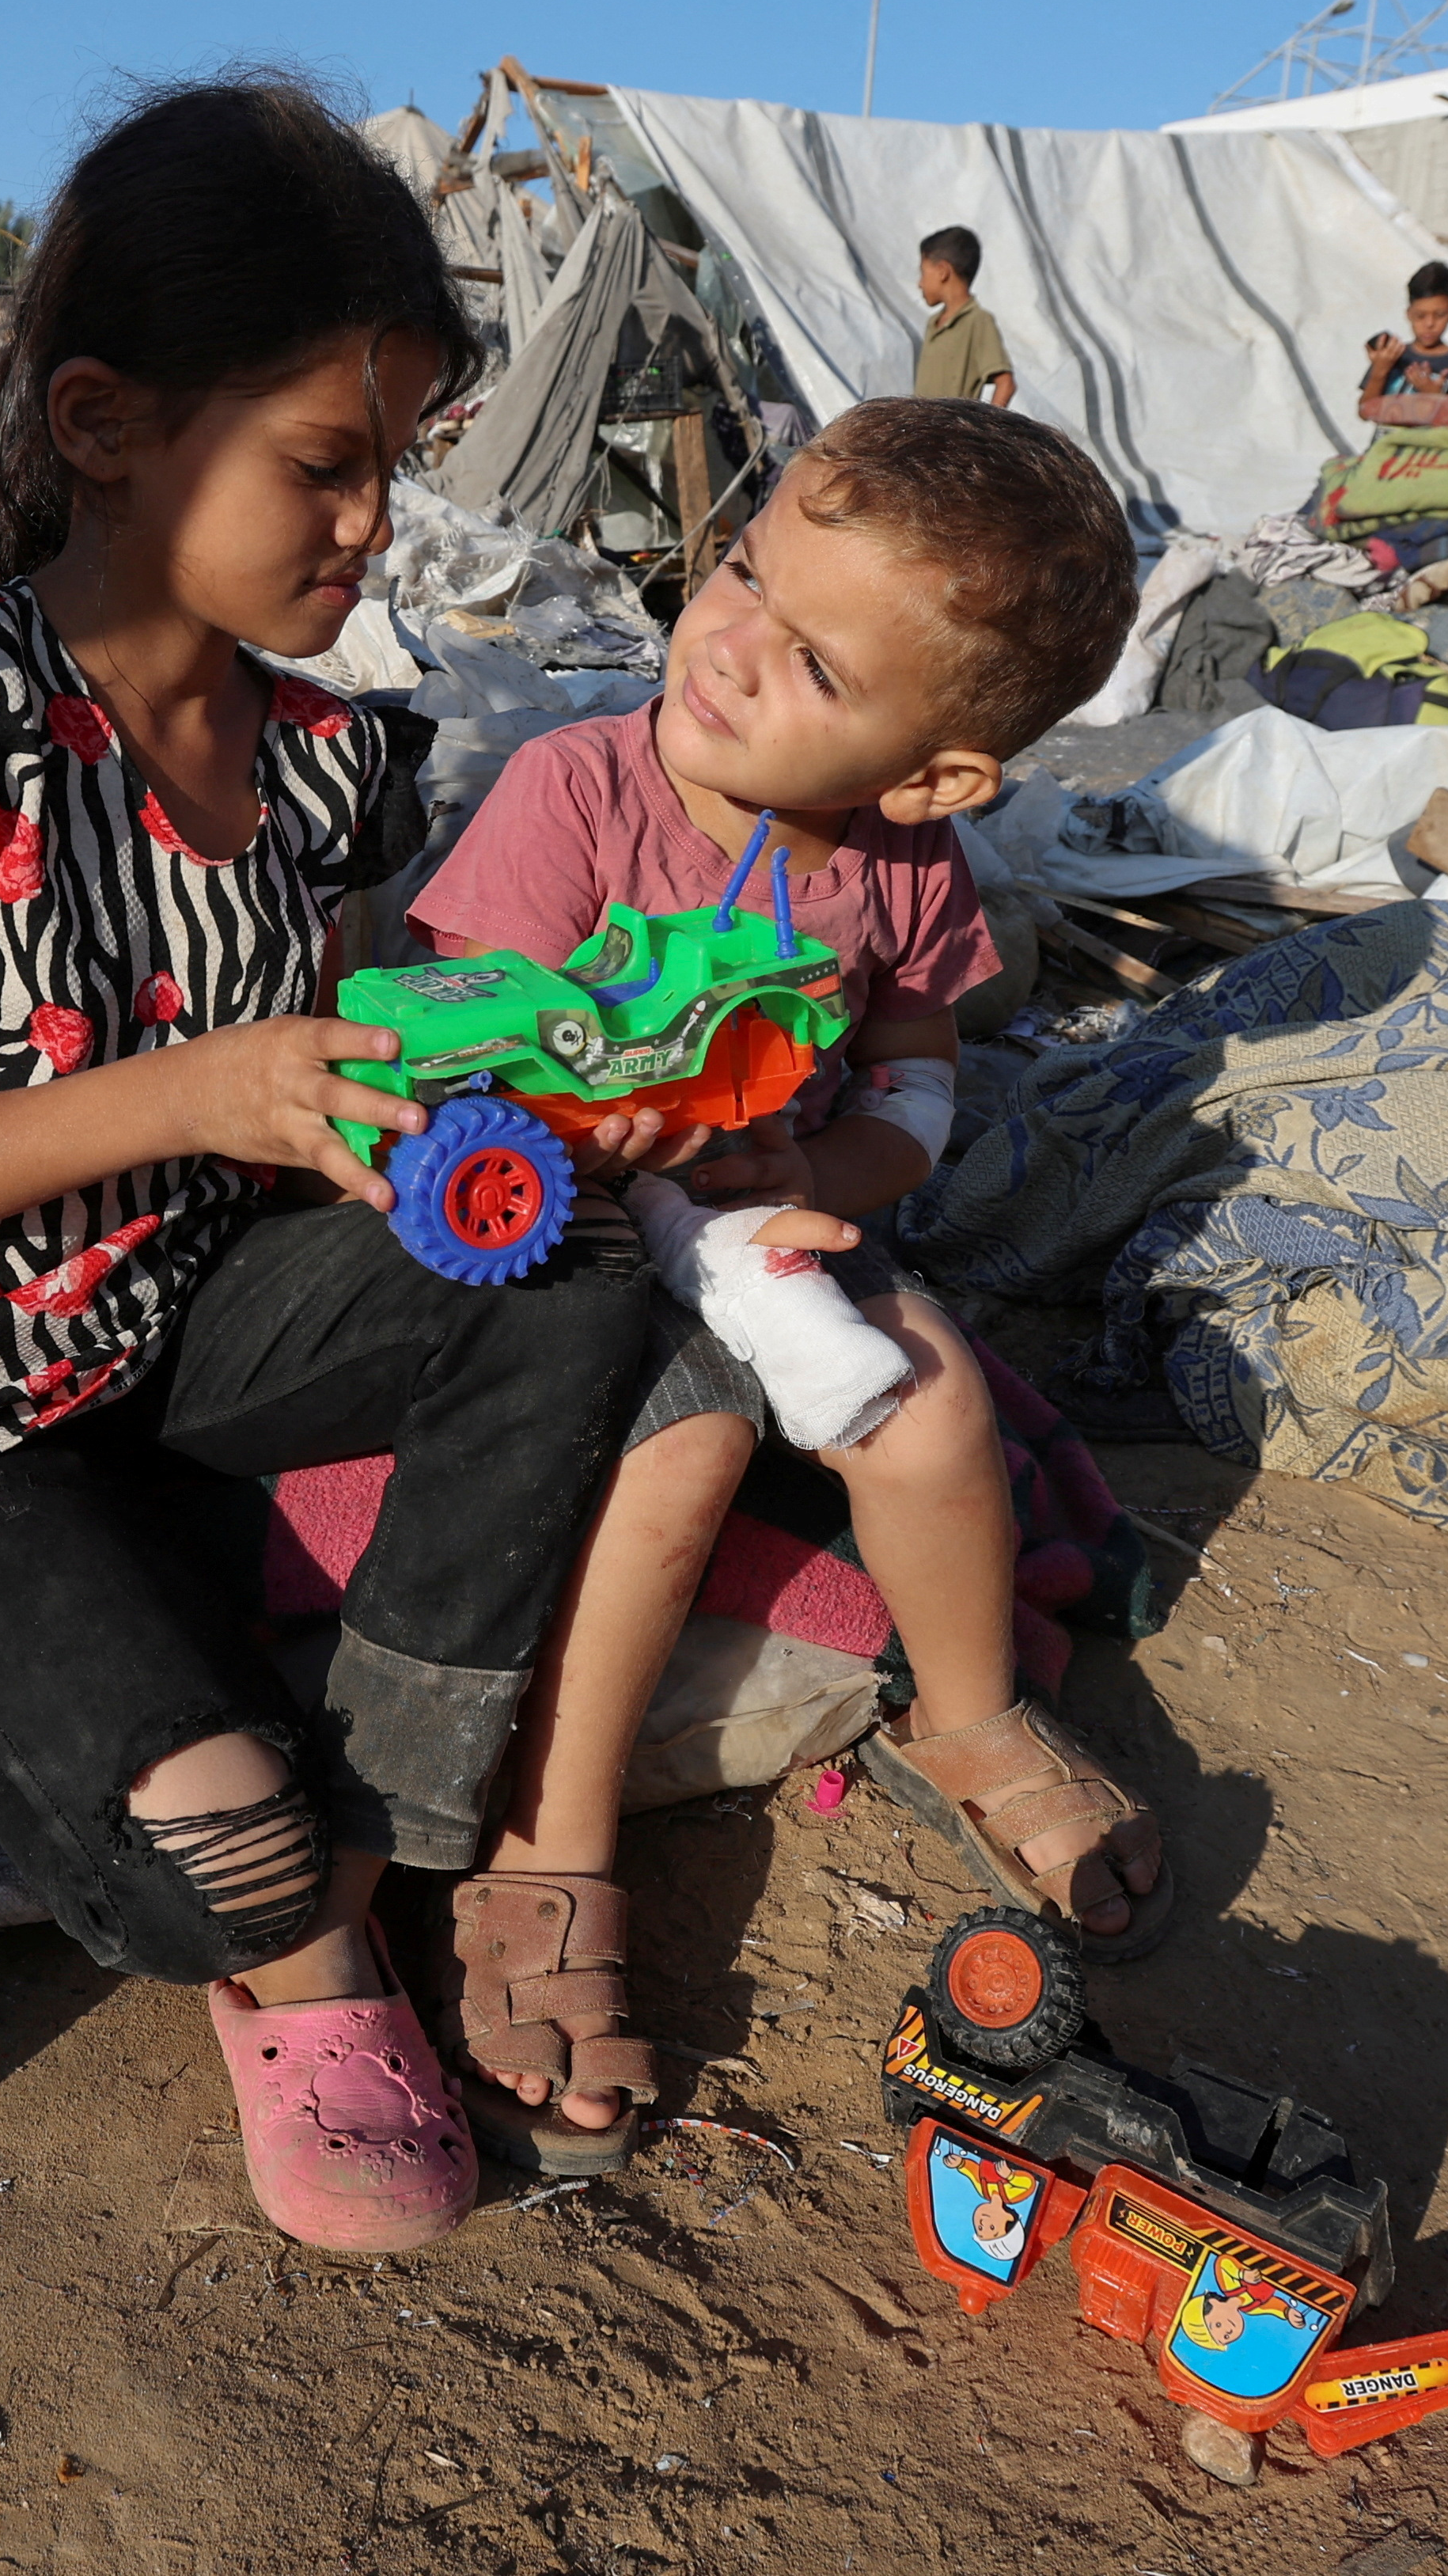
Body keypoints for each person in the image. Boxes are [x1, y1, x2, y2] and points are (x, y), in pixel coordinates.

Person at [0, 75, 664, 2256]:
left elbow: (318, 1101)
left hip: (175, 1316)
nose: (368, 529)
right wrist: (206, 1092)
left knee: (581, 1259)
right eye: (321, 467)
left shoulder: (333, 760)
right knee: (214, 1862)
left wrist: (483, 1106)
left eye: (394, 470)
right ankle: (248, 1864)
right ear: (100, 423)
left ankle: (358, 1807)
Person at [409, 396, 1164, 2172]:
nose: (730, 644)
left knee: (930, 1400)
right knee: (665, 1457)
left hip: (772, 1231)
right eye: (742, 569)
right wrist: (554, 1111)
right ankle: (547, 1855)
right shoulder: (573, 791)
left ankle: (973, 1721)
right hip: (573, 1246)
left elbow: (913, 1076)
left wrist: (828, 1176)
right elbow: (456, 1039)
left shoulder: (900, 867)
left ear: (931, 777)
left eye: (812, 658)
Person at [910, 226, 1015, 407]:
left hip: (952, 433)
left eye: (923, 272)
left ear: (943, 271)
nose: (920, 284)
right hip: (922, 432)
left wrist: (985, 431)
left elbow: (1006, 384)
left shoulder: (978, 321)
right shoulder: (933, 324)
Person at [1362, 260, 1448, 404]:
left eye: (1440, 315)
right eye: (1420, 316)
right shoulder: (1391, 356)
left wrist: (1434, 396)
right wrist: (1380, 371)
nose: (1429, 324)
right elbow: (1365, 411)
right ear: (1409, 314)